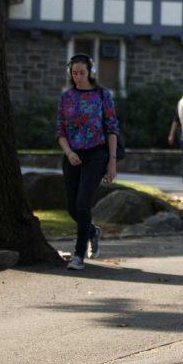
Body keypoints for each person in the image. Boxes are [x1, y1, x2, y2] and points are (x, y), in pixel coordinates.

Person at [56, 53, 119, 271]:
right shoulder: (66, 97)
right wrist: (68, 152)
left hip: (96, 154)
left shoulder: (102, 95)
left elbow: (112, 128)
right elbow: (60, 130)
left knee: (83, 203)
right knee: (73, 208)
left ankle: (79, 254)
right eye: (74, 73)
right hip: (72, 155)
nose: (78, 77)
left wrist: (112, 162)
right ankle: (92, 231)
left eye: (82, 72)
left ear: (90, 72)